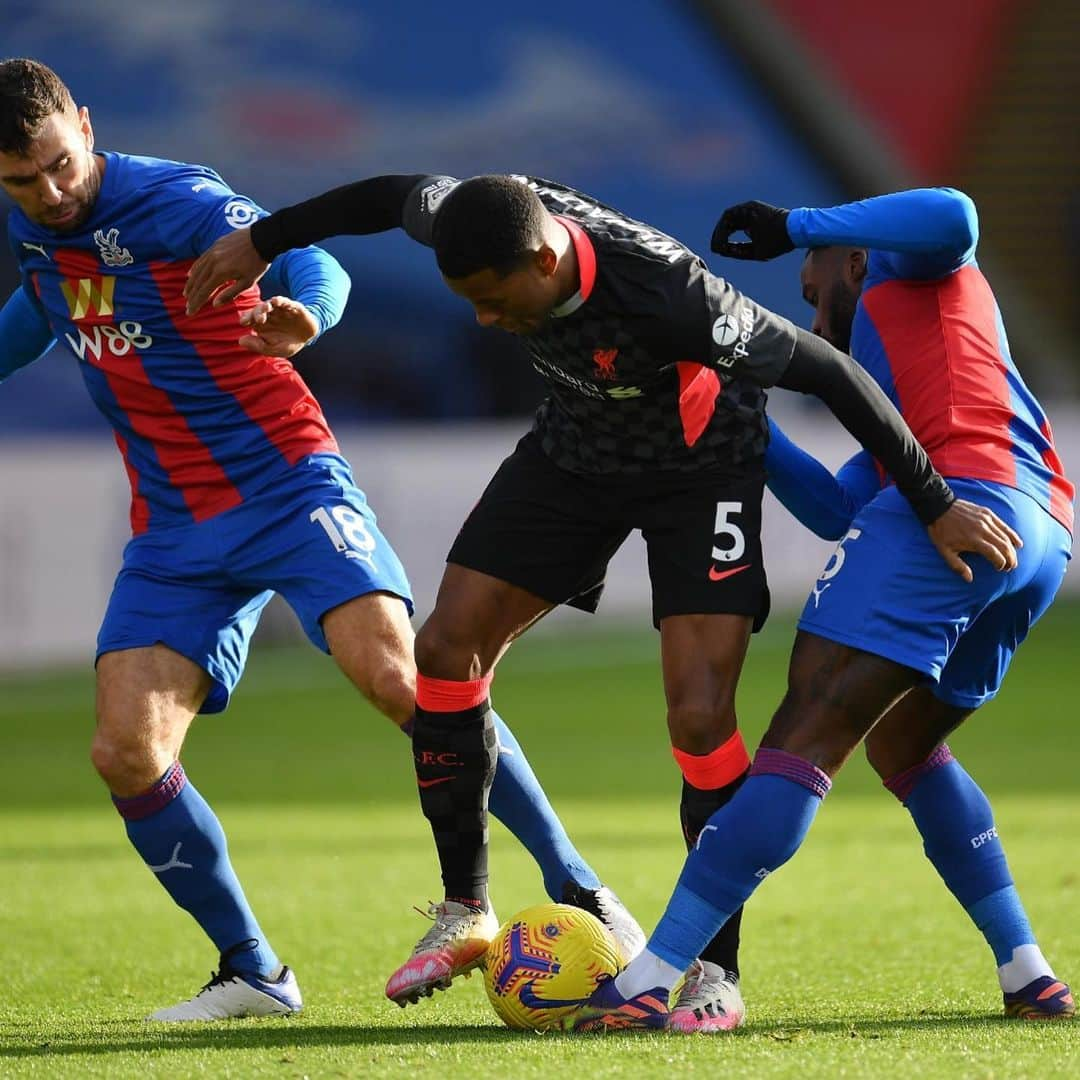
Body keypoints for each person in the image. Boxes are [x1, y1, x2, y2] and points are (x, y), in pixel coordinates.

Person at [185, 173, 1019, 1032]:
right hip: (576, 456)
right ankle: (465, 908)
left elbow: (834, 374)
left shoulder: (674, 296)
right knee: (443, 649)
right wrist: (264, 240)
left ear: (545, 259)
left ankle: (713, 975)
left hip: (702, 471)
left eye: (491, 298)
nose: (482, 318)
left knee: (700, 717)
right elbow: (383, 197)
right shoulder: (477, 216)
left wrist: (934, 502)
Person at [0, 59, 645, 1023]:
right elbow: (41, 315)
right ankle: (252, 970)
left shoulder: (171, 201)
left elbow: (312, 258)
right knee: (125, 752)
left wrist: (309, 315)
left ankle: (583, 888)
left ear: (86, 126)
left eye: (60, 165)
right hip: (174, 530)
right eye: (23, 180)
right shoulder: (34, 231)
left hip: (288, 486)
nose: (51, 193)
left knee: (404, 685)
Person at [567, 187, 1074, 1030]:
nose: (818, 317)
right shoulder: (902, 369)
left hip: (961, 508)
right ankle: (1028, 970)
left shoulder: (904, 268)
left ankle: (651, 978)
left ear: (853, 257)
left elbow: (955, 214)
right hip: (1038, 534)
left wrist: (794, 226)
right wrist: (745, 421)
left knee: (799, 742)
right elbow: (845, 510)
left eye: (811, 289)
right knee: (906, 746)